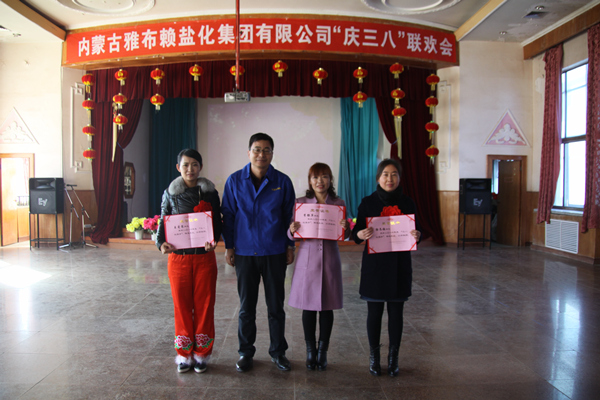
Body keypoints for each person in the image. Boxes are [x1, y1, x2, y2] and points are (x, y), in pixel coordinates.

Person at [221, 133, 296, 372]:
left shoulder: (282, 181)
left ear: (272, 154)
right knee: (246, 307)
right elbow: (228, 216)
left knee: (276, 306)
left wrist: (290, 245)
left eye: (266, 150)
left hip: (274, 251)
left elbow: (290, 216)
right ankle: (246, 352)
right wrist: (229, 246)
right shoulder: (234, 181)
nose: (261, 154)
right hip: (245, 252)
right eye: (256, 149)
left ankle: (278, 352)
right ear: (248, 152)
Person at [351, 158, 421, 377]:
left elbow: (416, 231)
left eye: (394, 174)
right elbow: (355, 234)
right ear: (378, 178)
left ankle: (393, 357)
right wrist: (360, 234)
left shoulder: (408, 202)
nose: (389, 179)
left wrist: (417, 235)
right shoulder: (368, 203)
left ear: (399, 178)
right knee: (374, 312)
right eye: (385, 174)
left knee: (396, 312)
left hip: (399, 265)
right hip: (375, 266)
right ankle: (374, 357)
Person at [156, 149, 222, 374]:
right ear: (178, 167)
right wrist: (161, 243)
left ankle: (202, 353)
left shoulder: (210, 193)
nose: (190, 169)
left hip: (204, 258)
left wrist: (214, 240)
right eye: (185, 165)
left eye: (194, 165)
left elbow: (217, 221)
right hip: (179, 259)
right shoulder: (169, 193)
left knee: (205, 305)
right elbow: (163, 220)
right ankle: (184, 354)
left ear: (200, 167)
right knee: (181, 306)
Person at [288, 163, 350, 371]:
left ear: (330, 180)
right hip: (307, 259)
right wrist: (292, 230)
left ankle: (322, 352)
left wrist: (346, 228)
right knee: (308, 306)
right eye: (315, 177)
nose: (320, 181)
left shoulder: (338, 203)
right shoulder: (301, 203)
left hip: (330, 258)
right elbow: (292, 234)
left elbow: (345, 235)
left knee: (327, 306)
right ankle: (310, 351)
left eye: (324, 177)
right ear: (310, 181)